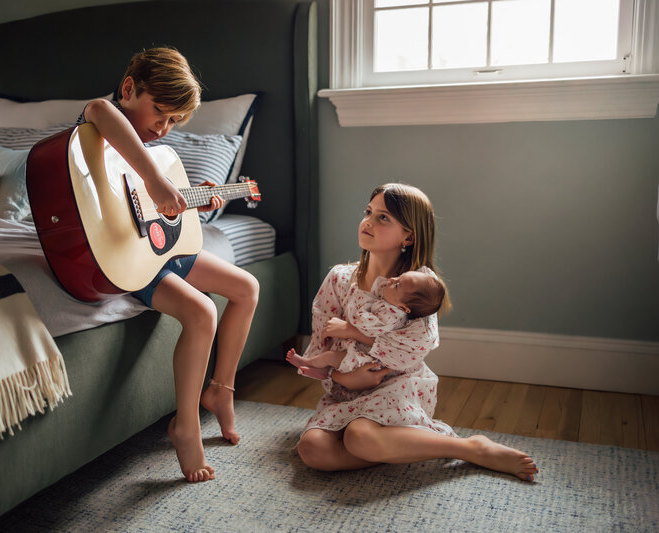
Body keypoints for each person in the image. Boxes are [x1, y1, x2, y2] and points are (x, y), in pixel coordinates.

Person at [78, 48, 259, 483]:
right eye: (159, 111)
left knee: (247, 287)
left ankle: (221, 390)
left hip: (162, 249)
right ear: (128, 88)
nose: (163, 127)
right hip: (127, 256)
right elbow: (102, 112)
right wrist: (157, 181)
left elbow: (154, 210)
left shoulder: (155, 154)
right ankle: (186, 425)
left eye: (174, 121)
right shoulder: (99, 120)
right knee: (202, 311)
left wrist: (193, 199)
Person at [293, 183, 539, 482]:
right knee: (311, 449)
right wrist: (343, 377)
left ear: (408, 236)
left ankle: (469, 448)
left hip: (395, 386)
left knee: (360, 437)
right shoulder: (339, 278)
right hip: (344, 390)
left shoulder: (419, 285)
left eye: (383, 218)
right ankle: (396, 447)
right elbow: (321, 345)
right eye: (368, 212)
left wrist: (358, 336)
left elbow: (413, 348)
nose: (368, 221)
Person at [286, 270, 446, 380]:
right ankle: (321, 370)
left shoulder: (390, 314)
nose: (391, 279)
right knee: (330, 355)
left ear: (404, 308)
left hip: (364, 359)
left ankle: (308, 363)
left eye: (396, 285)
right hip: (361, 352)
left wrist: (358, 297)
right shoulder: (393, 302)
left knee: (330, 357)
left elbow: (364, 324)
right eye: (398, 277)